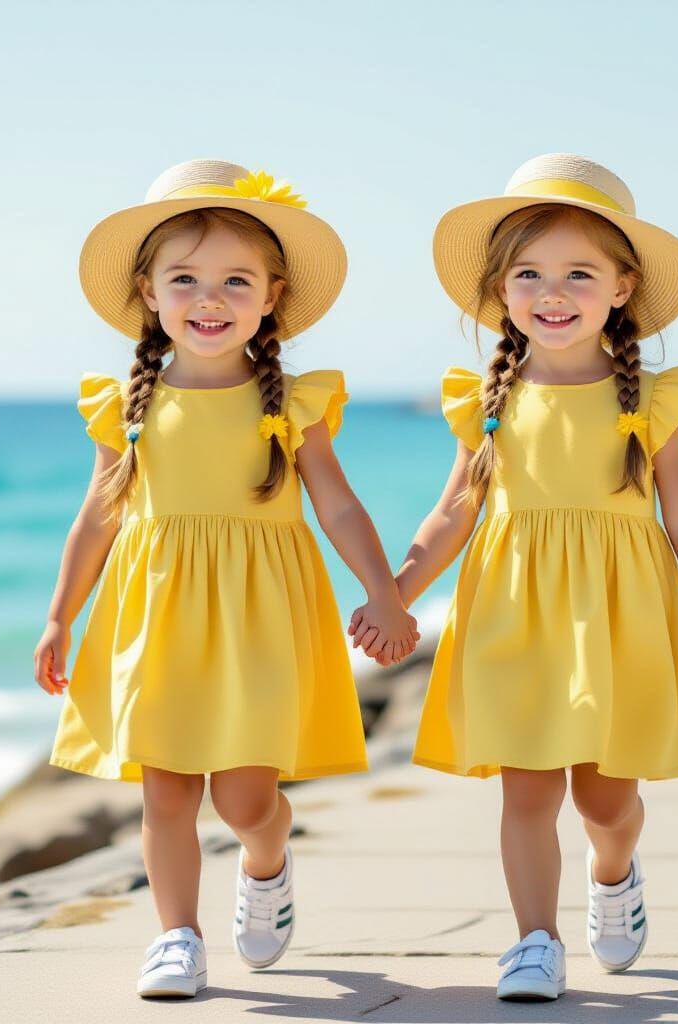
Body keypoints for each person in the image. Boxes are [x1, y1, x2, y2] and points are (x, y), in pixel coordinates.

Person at [353, 153, 678, 1001]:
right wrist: (393, 593)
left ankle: (614, 873)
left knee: (606, 802)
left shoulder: (652, 401)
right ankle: (534, 941)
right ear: (501, 292)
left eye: (577, 272)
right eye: (528, 273)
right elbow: (452, 513)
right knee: (526, 794)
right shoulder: (488, 400)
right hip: (513, 618)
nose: (551, 291)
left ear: (622, 287)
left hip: (619, 619)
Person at [34, 159, 418, 999]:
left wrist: (385, 590)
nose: (209, 298)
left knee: (246, 800)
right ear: (149, 292)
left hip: (259, 618)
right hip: (156, 616)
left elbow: (341, 509)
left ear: (272, 295)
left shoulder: (294, 403)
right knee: (166, 793)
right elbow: (97, 519)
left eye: (234, 280)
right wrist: (62, 615)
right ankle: (176, 936)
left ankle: (266, 859)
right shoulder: (124, 407)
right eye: (186, 279)